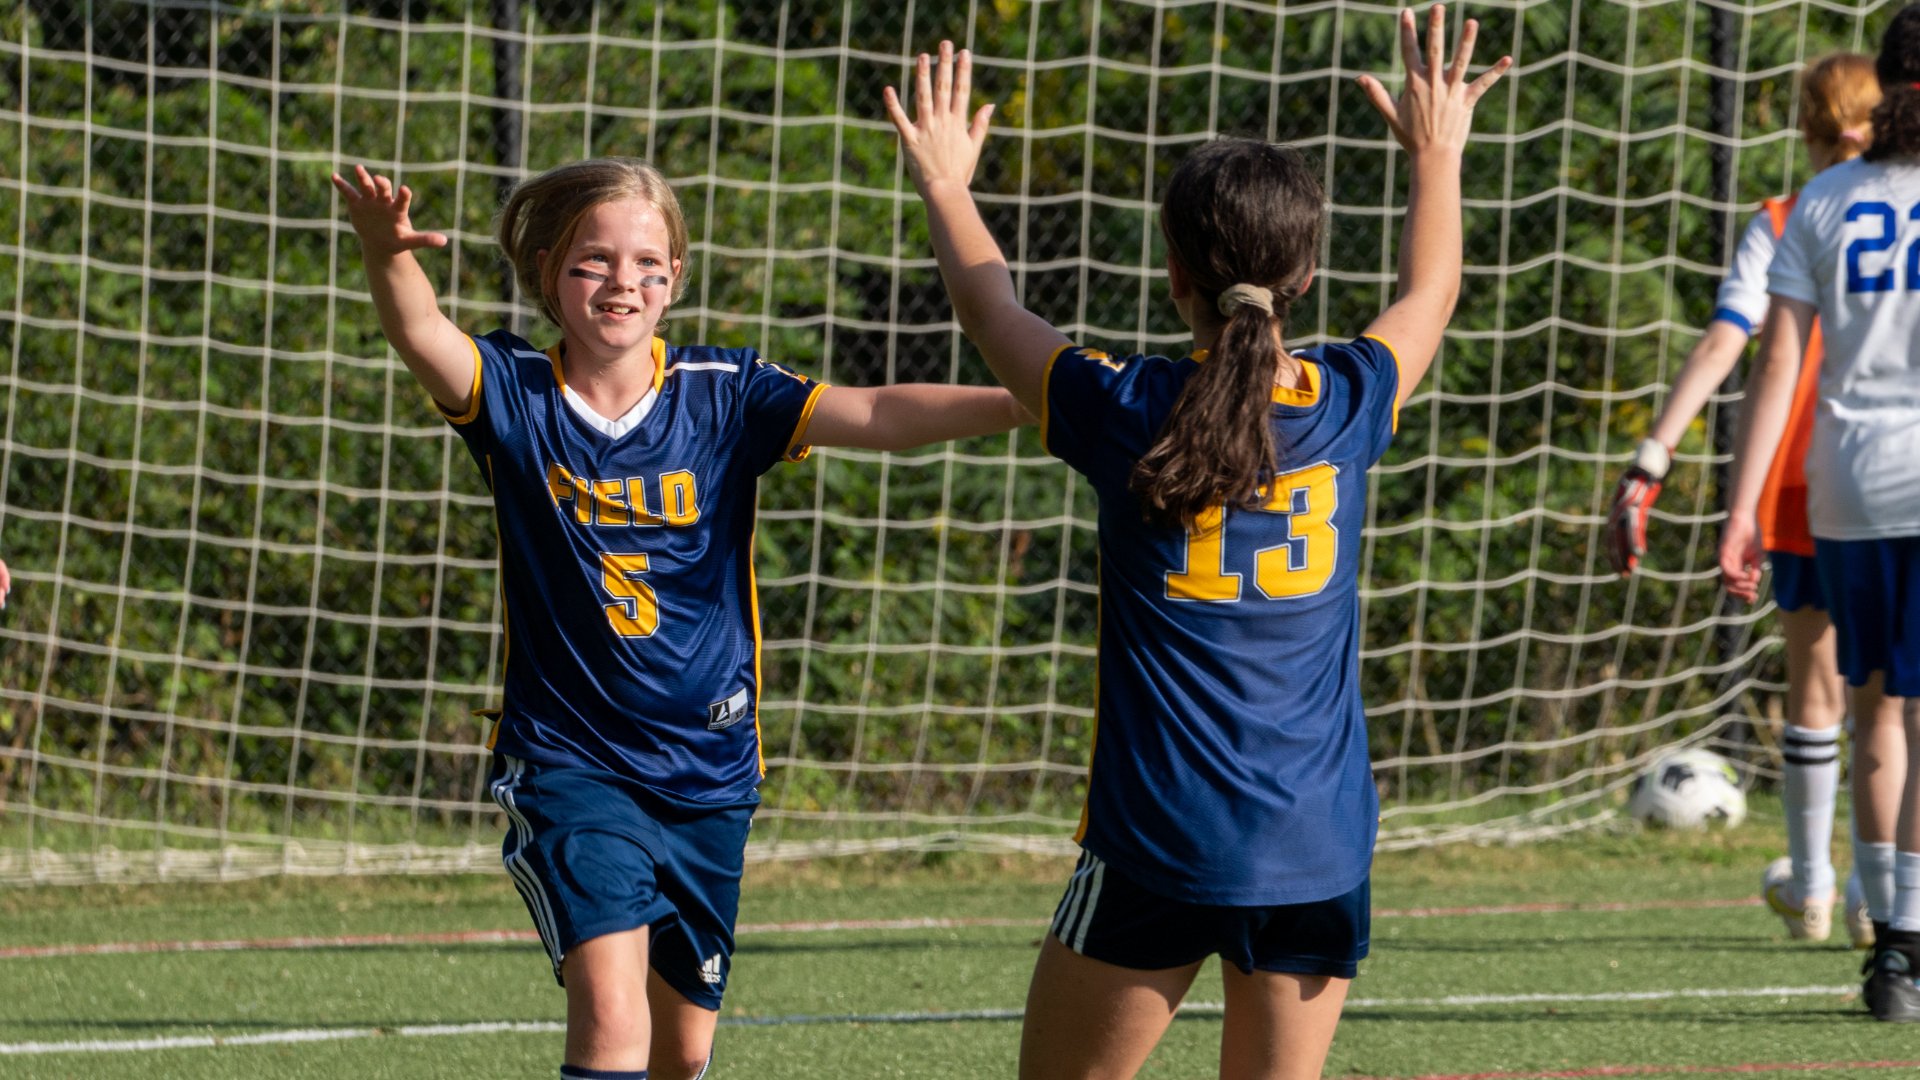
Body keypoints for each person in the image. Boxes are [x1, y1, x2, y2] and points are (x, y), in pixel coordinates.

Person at [886, 8, 1508, 1076]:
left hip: (1159, 839)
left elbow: (991, 312)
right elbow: (1431, 292)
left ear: (1172, 268)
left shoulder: (1125, 408)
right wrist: (1438, 150)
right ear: (1307, 271)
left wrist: (947, 183)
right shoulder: (1348, 401)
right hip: (1314, 846)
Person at [331, 158, 1028, 1079]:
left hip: (708, 770)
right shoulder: (511, 391)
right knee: (613, 1022)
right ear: (548, 274)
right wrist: (386, 252)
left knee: (682, 1047)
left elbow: (881, 411)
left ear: (675, 282)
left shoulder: (725, 392)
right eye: (595, 261)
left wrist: (1036, 402)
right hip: (572, 761)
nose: (624, 281)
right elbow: (421, 329)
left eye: (648, 263)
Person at [1606, 53, 1881, 950]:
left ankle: (1809, 887)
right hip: (1895, 478)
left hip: (1801, 482)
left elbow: (1728, 346)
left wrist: (1654, 457)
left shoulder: (1784, 219)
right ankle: (1883, 902)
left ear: (1803, 129)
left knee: (1814, 689)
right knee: (1888, 700)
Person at [1718, 2, 1920, 1023]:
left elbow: (1779, 360)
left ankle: (1888, 958)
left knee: (1877, 710)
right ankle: (1912, 936)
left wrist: (1740, 505)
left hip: (1847, 482)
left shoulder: (1823, 201)